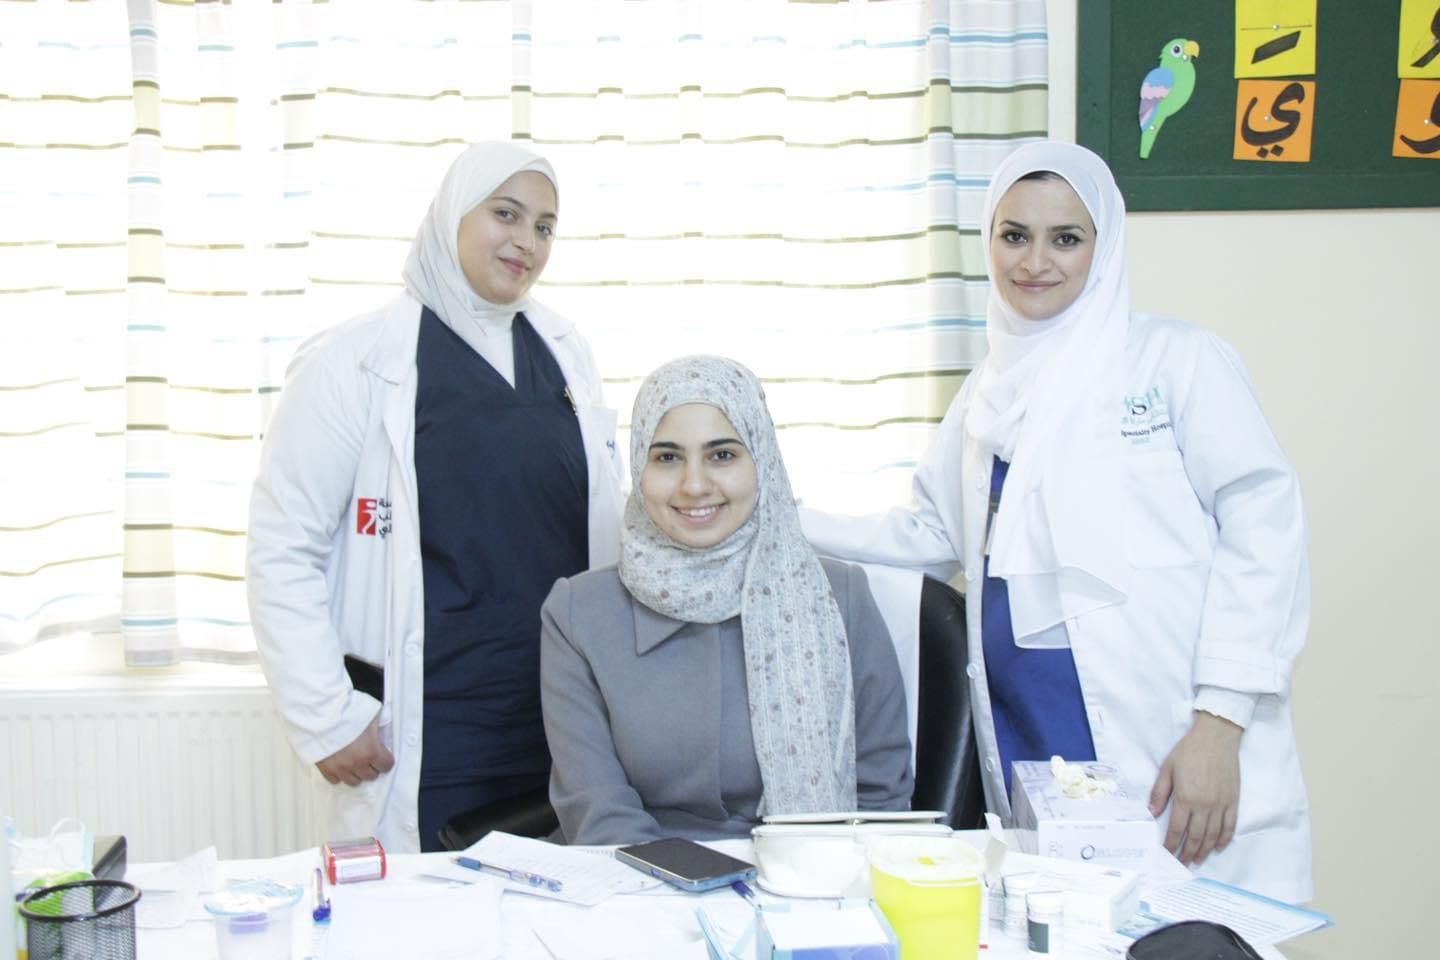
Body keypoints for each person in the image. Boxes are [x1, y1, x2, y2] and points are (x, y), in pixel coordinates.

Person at [800, 142, 1312, 902]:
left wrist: (1220, 722)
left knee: (1196, 935)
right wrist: (783, 519)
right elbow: (930, 534)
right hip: (1032, 735)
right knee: (1061, 924)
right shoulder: (987, 393)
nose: (1035, 261)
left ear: (1103, 247)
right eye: (1014, 235)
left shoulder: (1176, 363)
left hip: (1171, 732)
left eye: (1065, 238)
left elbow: (1265, 532)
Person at [246, 142, 624, 853]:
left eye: (545, 226)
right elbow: (282, 547)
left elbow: (602, 527)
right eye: (506, 214)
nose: (527, 240)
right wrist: (325, 716)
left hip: (561, 723)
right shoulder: (355, 363)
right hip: (433, 731)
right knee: (427, 909)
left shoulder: (565, 354)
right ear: (453, 213)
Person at [540, 356, 914, 845]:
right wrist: (702, 887)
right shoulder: (577, 614)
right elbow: (599, 812)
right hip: (634, 876)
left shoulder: (841, 596)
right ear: (639, 467)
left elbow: (881, 798)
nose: (694, 485)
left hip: (812, 871)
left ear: (762, 461)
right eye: (667, 457)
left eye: (722, 455)